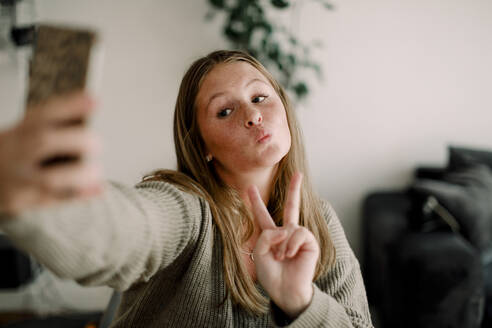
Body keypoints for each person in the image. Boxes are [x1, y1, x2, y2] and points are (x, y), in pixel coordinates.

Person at [0, 50, 374, 327]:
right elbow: (125, 230)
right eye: (224, 111)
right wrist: (39, 196)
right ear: (203, 147)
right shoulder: (187, 209)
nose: (253, 115)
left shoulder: (320, 219)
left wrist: (300, 301)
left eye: (260, 97)